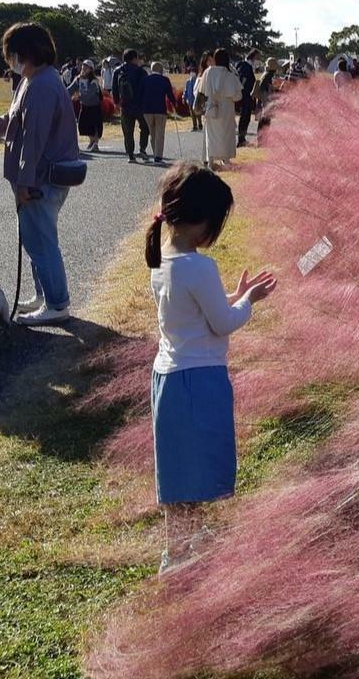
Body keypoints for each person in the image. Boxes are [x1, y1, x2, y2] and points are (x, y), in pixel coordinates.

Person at [145, 162, 276, 574]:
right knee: (196, 468)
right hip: (198, 381)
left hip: (168, 378)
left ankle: (182, 543)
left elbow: (192, 310)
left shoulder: (163, 257)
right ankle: (179, 556)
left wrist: (231, 295)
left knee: (180, 469)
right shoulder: (200, 266)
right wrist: (247, 301)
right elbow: (223, 322)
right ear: (204, 225)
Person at [0, 22, 79, 326]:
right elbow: (12, 121)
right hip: (39, 179)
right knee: (35, 241)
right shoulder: (32, 80)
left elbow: (33, 139)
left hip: (40, 180)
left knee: (42, 242)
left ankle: (57, 303)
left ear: (24, 52)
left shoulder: (42, 85)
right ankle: (44, 296)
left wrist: (25, 182)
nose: (9, 59)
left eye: (11, 53)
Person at [199, 48, 242, 170]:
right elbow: (237, 96)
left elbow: (202, 90)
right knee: (226, 134)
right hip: (226, 109)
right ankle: (226, 159)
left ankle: (211, 159)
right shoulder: (229, 75)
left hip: (211, 107)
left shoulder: (208, 72)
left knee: (211, 135)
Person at [112, 48, 150, 163]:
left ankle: (131, 155)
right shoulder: (141, 72)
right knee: (144, 127)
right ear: (134, 58)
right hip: (139, 105)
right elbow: (146, 89)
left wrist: (116, 102)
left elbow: (114, 89)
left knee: (128, 131)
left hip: (125, 104)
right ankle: (142, 149)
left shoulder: (118, 71)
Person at [140, 62, 178, 164]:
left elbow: (140, 94)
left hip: (147, 111)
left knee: (152, 133)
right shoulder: (164, 80)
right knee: (160, 133)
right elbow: (170, 94)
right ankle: (158, 157)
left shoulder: (145, 79)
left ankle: (155, 153)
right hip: (160, 110)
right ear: (161, 70)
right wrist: (174, 104)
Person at [70, 60, 104, 152]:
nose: (83, 69)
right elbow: (70, 89)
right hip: (84, 106)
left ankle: (95, 143)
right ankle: (92, 141)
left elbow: (91, 93)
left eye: (86, 67)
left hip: (94, 106)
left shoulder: (94, 81)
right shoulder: (78, 79)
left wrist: (79, 97)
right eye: (83, 67)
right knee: (83, 125)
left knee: (95, 125)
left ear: (91, 69)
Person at [235, 49, 259, 148]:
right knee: (245, 117)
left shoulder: (243, 65)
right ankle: (241, 139)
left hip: (245, 96)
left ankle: (242, 138)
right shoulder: (247, 67)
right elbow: (243, 80)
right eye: (257, 57)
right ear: (253, 57)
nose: (257, 60)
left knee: (245, 117)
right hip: (245, 96)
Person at [184, 67, 201, 132]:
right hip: (190, 100)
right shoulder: (188, 81)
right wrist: (184, 97)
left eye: (193, 72)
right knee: (192, 114)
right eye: (191, 72)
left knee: (198, 113)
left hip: (196, 100)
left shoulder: (198, 80)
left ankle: (200, 125)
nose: (192, 73)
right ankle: (194, 126)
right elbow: (185, 90)